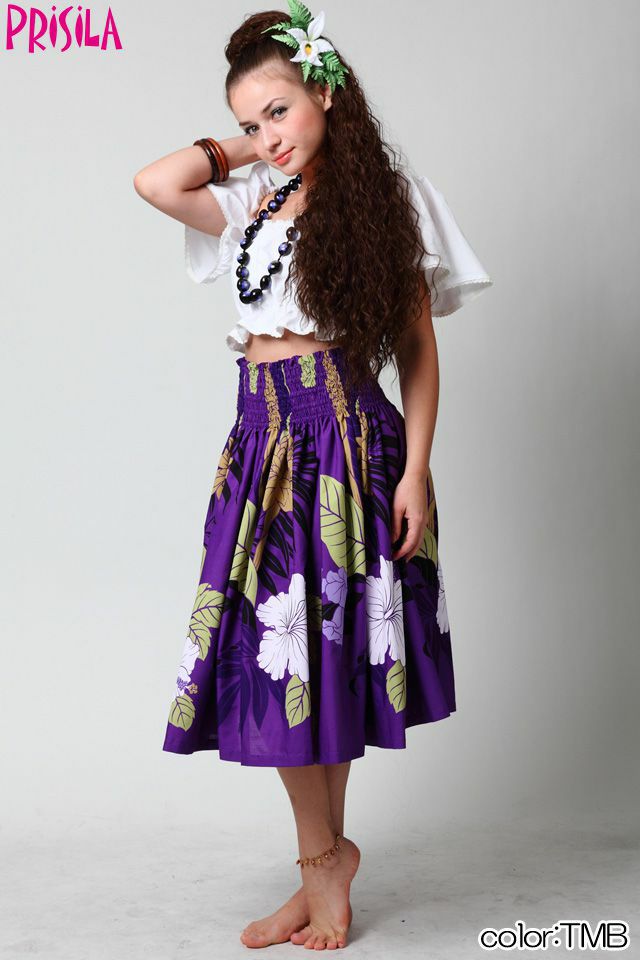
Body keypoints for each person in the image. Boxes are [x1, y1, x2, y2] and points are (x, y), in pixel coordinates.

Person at [133, 3, 493, 951]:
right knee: (282, 655)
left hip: (344, 443)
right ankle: (325, 861)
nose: (268, 136)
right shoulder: (255, 200)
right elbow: (156, 182)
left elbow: (416, 350)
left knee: (315, 657)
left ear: (327, 92)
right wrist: (248, 148)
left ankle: (322, 866)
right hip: (261, 446)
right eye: (251, 121)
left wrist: (417, 471)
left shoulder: (381, 202)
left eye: (280, 110)